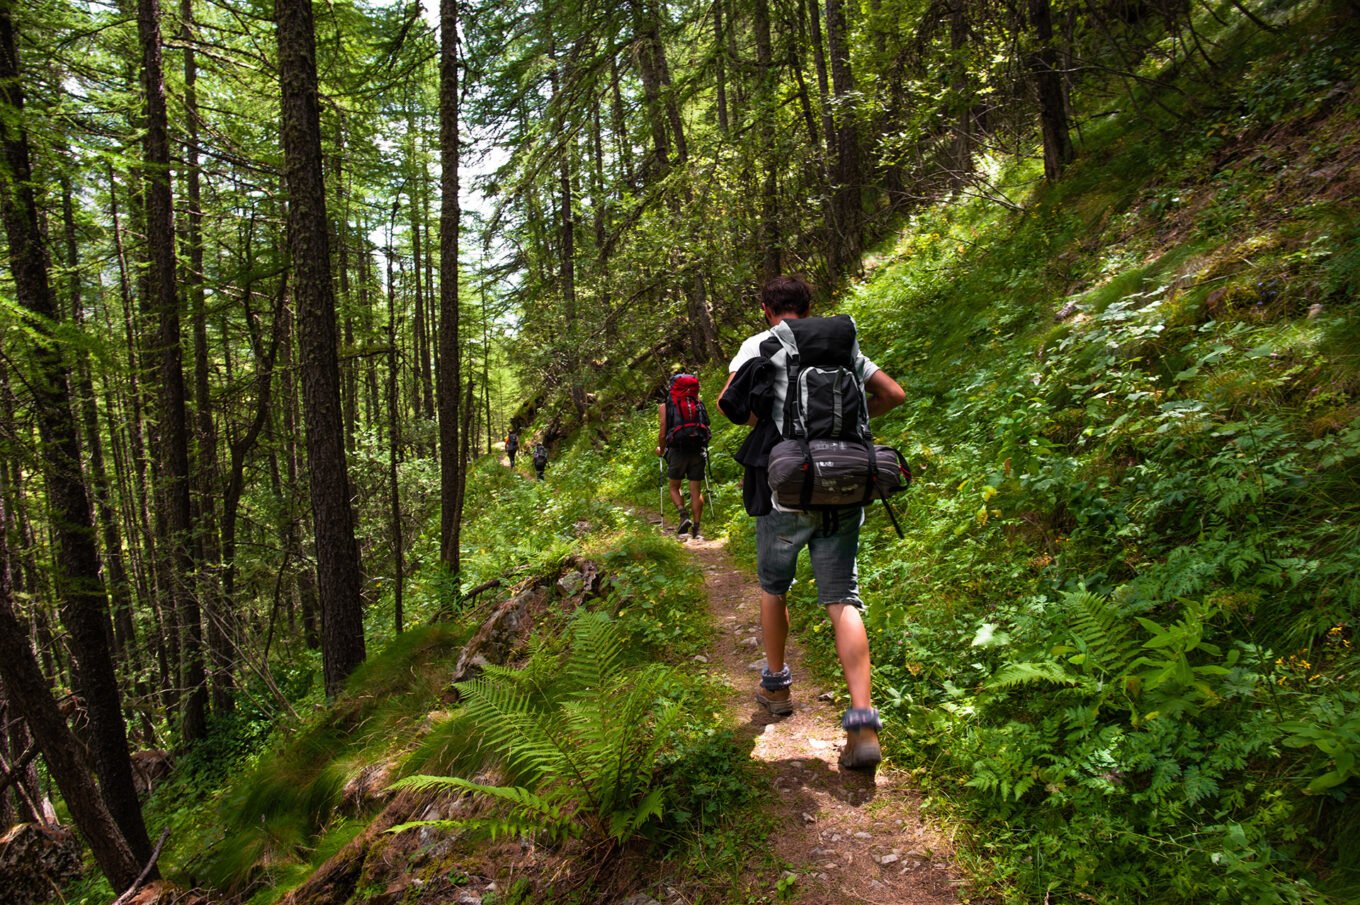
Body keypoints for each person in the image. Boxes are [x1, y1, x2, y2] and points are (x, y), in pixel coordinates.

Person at [719, 275, 905, 771]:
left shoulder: (760, 344)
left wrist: (777, 426)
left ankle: (776, 686)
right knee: (842, 596)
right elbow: (893, 393)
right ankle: (863, 721)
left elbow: (728, 405)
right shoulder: (841, 341)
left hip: (787, 489)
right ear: (810, 307)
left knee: (774, 587)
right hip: (845, 482)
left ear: (766, 309)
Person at [657, 373, 710, 541]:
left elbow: (663, 429)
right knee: (696, 490)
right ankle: (697, 529)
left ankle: (682, 513)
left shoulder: (665, 406)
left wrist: (662, 448)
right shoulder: (698, 402)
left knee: (674, 486)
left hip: (677, 450)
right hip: (697, 448)